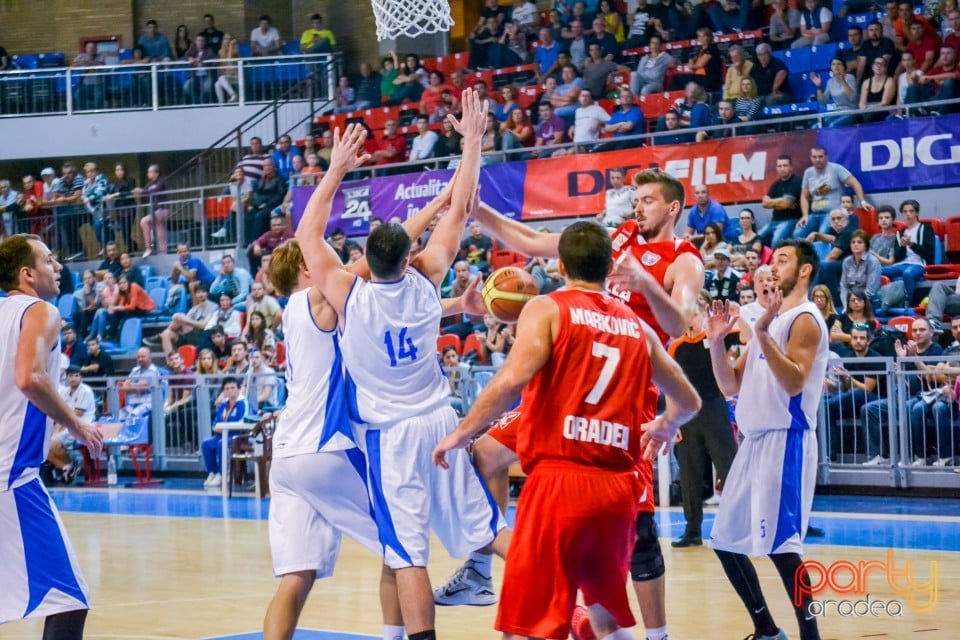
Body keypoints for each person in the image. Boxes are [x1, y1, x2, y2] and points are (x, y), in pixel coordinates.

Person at [440, 169, 705, 640]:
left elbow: (683, 322)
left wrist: (646, 283)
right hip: (570, 384)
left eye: (647, 200)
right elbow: (534, 239)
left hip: (625, 398)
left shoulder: (682, 259)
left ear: (672, 209)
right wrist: (476, 211)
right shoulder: (615, 239)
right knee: (484, 455)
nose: (637, 206)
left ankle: (655, 632)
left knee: (639, 540)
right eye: (636, 199)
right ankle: (482, 566)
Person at [295, 95, 509, 640]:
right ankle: (561, 582)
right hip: (441, 422)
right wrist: (472, 141)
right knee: (487, 528)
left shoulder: (349, 294)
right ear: (409, 254)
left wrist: (338, 167)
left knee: (406, 551)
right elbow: (458, 212)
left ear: (367, 258)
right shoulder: (429, 279)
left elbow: (307, 236)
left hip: (390, 439)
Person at [705, 239, 829, 640]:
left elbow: (794, 382)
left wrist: (761, 331)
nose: (772, 266)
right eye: (771, 260)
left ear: (805, 270)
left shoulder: (805, 318)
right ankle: (767, 630)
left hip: (785, 439)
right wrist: (715, 343)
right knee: (725, 541)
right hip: (754, 442)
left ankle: (811, 636)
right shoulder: (769, 320)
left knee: (783, 548)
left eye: (782, 260)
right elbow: (729, 385)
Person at [0, 234, 103, 637]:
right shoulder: (42, 311)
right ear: (27, 274)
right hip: (13, 476)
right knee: (68, 597)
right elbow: (29, 377)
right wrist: (77, 424)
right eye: (48, 259)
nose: (58, 266)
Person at [668, 292, 737, 548]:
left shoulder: (716, 337)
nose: (690, 319)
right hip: (687, 414)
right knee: (689, 473)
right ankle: (692, 530)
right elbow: (672, 384)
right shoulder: (676, 345)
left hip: (714, 407)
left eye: (694, 313)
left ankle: (738, 526)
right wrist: (674, 422)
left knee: (728, 467)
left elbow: (743, 336)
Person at [794, 146, 869, 240]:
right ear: (811, 158)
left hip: (832, 214)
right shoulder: (808, 172)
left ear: (826, 157)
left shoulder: (836, 168)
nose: (817, 159)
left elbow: (855, 183)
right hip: (814, 214)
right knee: (797, 234)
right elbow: (804, 196)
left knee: (822, 234)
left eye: (820, 156)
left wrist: (862, 202)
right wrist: (805, 215)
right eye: (814, 157)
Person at [199, 377, 248, 488]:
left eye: (233, 388)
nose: (230, 391)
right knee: (206, 443)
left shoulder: (243, 403)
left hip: (237, 436)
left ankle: (223, 474)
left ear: (238, 389)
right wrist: (217, 427)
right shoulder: (222, 405)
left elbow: (243, 420)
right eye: (227, 389)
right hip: (221, 434)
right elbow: (215, 423)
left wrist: (225, 427)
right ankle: (213, 472)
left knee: (222, 444)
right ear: (224, 391)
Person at [761, 156, 803, 248]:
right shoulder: (776, 184)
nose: (782, 168)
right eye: (779, 166)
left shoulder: (796, 182)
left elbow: (786, 203)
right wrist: (781, 202)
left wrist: (773, 203)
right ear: (776, 168)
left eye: (785, 165)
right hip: (774, 220)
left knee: (776, 241)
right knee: (757, 238)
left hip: (791, 220)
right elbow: (764, 203)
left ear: (791, 167)